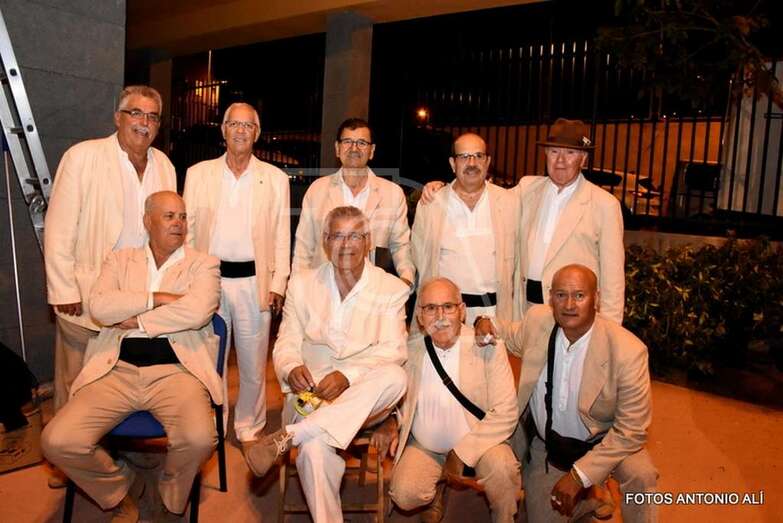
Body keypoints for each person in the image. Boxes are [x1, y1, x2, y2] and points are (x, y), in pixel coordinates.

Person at [41, 191, 223, 522]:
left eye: (183, 217)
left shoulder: (203, 263)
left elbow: (198, 312)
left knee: (199, 439)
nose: (179, 223)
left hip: (177, 371)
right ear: (147, 221)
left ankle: (169, 498)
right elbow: (101, 307)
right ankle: (121, 488)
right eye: (169, 216)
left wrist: (137, 319)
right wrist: (158, 298)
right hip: (116, 369)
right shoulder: (119, 260)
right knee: (57, 440)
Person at [244, 206, 408, 523]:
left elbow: (394, 349)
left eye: (354, 236)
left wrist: (347, 376)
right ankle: (305, 435)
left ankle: (291, 434)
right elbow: (286, 342)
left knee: (396, 377)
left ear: (368, 241)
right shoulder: (301, 284)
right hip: (311, 396)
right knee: (315, 450)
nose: (346, 245)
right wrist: (291, 366)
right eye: (337, 236)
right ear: (325, 241)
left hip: (365, 398)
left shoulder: (391, 289)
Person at [483, 264, 657, 522]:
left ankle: (593, 484)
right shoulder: (538, 321)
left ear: (596, 299)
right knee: (542, 516)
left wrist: (579, 476)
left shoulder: (628, 352)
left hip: (605, 441)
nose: (569, 305)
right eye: (561, 295)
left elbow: (631, 430)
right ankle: (590, 498)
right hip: (551, 446)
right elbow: (506, 333)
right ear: (551, 299)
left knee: (641, 474)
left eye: (579, 295)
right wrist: (485, 323)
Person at [44, 85, 176, 412]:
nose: (144, 122)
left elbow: (168, 231)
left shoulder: (164, 165)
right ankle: (68, 444)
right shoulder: (82, 157)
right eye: (136, 113)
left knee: (118, 390)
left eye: (153, 117)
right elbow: (59, 228)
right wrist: (63, 289)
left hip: (137, 301)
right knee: (76, 386)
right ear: (118, 117)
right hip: (85, 296)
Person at [421, 119, 625, 324]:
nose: (560, 161)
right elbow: (480, 191)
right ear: (546, 154)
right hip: (526, 313)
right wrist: (441, 187)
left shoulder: (604, 205)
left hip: (572, 314)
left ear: (583, 159)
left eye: (570, 153)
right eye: (554, 152)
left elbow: (613, 281)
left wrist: (609, 332)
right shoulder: (528, 189)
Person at [183, 102, 290, 444]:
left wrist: (278, 283)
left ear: (257, 133)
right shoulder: (198, 174)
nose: (241, 131)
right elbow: (188, 231)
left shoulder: (275, 179)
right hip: (208, 281)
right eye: (234, 124)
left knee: (253, 363)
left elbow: (281, 235)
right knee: (208, 360)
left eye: (248, 125)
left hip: (254, 283)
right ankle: (214, 424)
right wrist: (187, 279)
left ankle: (249, 426)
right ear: (223, 130)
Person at [372, 277, 521, 523]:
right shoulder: (409, 350)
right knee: (404, 494)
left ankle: (503, 519)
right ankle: (438, 484)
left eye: (448, 307)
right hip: (426, 447)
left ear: (462, 311)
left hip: (481, 445)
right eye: (431, 308)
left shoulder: (488, 346)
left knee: (503, 471)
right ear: (420, 316)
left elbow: (506, 412)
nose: (440, 316)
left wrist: (461, 453)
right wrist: (390, 422)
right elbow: (398, 399)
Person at [411, 133, 519, 327]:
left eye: (478, 156)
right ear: (453, 164)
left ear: (487, 162)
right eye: (464, 157)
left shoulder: (510, 202)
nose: (472, 163)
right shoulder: (431, 204)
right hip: (444, 316)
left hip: (496, 314)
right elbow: (419, 258)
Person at [292, 117, 415, 286]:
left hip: (373, 290)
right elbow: (303, 247)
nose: (354, 148)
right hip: (324, 288)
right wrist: (297, 287)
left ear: (372, 150)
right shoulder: (317, 190)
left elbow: (401, 246)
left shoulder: (392, 194)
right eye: (347, 142)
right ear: (337, 148)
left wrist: (406, 280)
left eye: (362, 143)